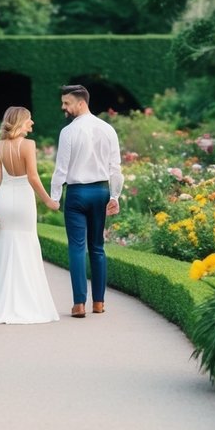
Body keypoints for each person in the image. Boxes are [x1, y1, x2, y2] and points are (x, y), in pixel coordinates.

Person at [0, 106, 60, 324]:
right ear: (20, 122)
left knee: (5, 246)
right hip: (24, 201)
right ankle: (27, 303)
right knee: (26, 245)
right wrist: (48, 201)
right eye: (29, 120)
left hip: (5, 200)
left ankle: (2, 302)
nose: (32, 123)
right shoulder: (28, 145)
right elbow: (33, 177)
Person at [51, 84, 123, 318]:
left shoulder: (68, 132)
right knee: (97, 248)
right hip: (101, 192)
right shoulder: (108, 129)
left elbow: (61, 170)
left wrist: (54, 197)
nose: (63, 107)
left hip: (77, 194)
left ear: (81, 103)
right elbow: (116, 168)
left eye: (66, 103)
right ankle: (99, 303)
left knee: (77, 248)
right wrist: (115, 196)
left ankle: (79, 304)